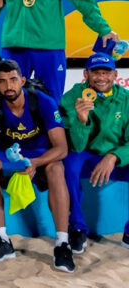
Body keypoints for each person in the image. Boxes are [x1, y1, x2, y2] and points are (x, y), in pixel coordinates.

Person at [0, 59, 74, 273]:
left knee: (57, 167)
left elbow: (62, 148)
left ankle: (62, 244)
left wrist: (35, 163)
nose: (8, 86)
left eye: (12, 80)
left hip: (39, 157)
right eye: (2, 81)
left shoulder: (43, 102)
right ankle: (2, 239)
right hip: (10, 159)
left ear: (22, 80)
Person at [59, 53, 129, 253]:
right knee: (69, 164)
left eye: (106, 72)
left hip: (116, 158)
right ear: (85, 74)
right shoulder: (73, 97)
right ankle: (77, 227)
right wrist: (81, 120)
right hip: (85, 156)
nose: (101, 77)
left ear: (115, 74)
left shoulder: (126, 99)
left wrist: (113, 156)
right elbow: (76, 146)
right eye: (95, 72)